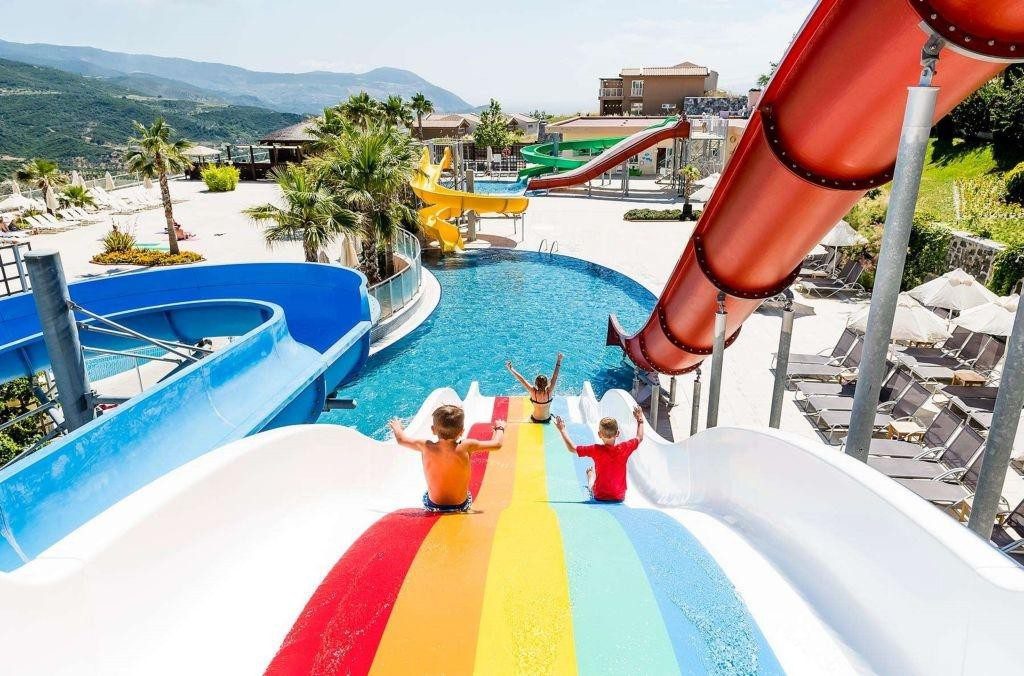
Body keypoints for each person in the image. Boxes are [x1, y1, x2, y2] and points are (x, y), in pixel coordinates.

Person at [389, 404, 505, 513]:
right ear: (462, 432)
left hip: (433, 505)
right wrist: (500, 428)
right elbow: (497, 444)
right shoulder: (466, 446)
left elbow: (401, 440)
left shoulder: (425, 446)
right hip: (461, 506)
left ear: (433, 430)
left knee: (427, 493)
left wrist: (397, 427)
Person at [554, 406, 645, 503]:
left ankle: (591, 476)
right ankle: (592, 474)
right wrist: (640, 420)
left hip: (599, 495)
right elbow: (639, 438)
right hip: (619, 496)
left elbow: (572, 448)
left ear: (599, 434)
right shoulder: (624, 448)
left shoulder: (596, 450)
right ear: (617, 433)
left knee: (591, 486)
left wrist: (562, 430)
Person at [506, 353, 563, 423]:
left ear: (536, 384)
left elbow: (522, 379)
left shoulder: (533, 391)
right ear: (547, 384)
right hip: (547, 419)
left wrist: (511, 369)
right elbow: (555, 376)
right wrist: (559, 360)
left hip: (535, 419)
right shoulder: (549, 392)